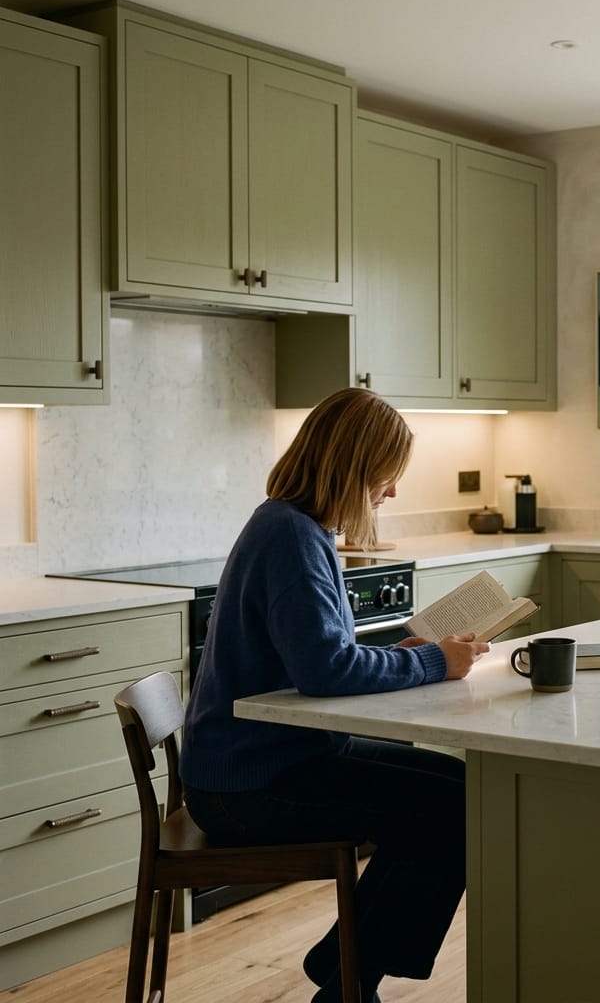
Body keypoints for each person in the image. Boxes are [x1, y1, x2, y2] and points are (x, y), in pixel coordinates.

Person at [180, 387, 489, 1003]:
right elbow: (326, 671)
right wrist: (434, 660)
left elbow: (316, 661)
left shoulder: (294, 526)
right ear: (352, 466)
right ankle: (347, 981)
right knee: (452, 813)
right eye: (387, 475)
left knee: (465, 794)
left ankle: (344, 967)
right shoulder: (291, 537)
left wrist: (402, 659)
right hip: (248, 786)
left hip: (281, 758)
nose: (392, 491)